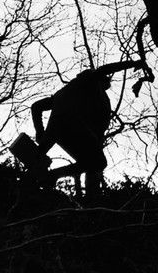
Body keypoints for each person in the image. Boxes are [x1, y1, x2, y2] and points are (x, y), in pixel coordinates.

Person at [31, 61, 143, 196]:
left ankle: (42, 178)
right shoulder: (90, 81)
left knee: (89, 162)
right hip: (70, 127)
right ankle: (52, 176)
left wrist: (41, 134)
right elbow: (104, 70)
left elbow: (36, 107)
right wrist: (133, 63)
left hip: (57, 131)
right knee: (98, 162)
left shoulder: (68, 90)